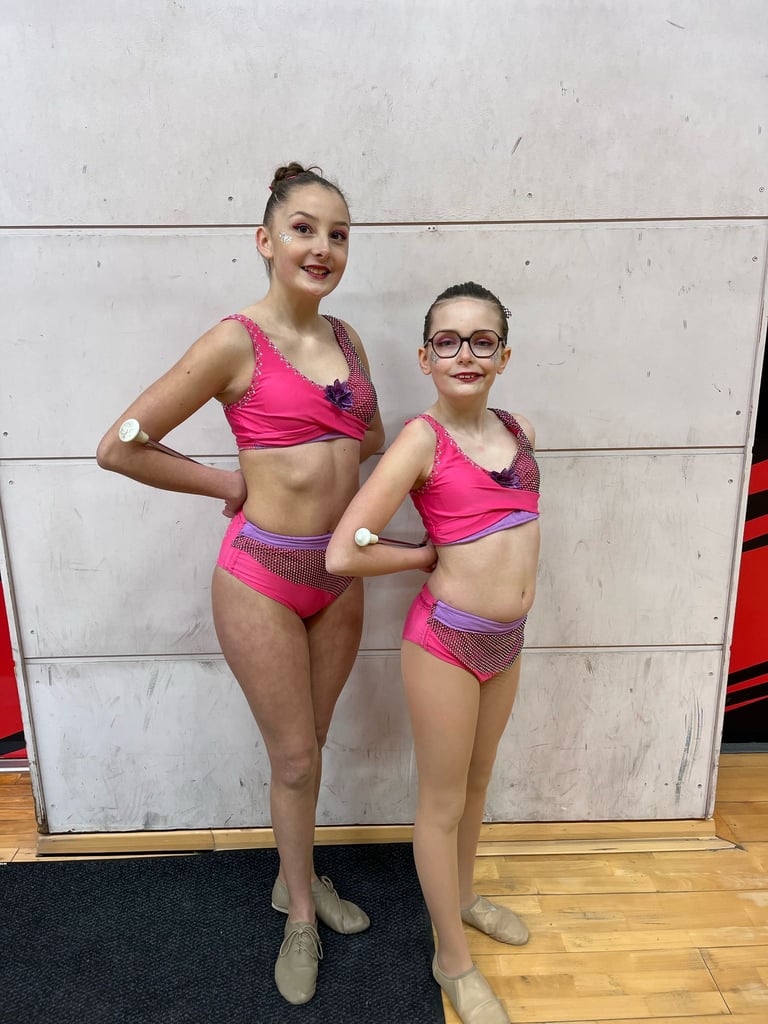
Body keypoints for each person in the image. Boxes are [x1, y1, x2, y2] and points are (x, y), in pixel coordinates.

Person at [97, 163, 385, 1006]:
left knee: (313, 745)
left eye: (338, 234)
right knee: (292, 758)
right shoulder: (235, 342)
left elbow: (367, 436)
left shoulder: (350, 340)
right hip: (262, 576)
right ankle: (300, 913)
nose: (322, 247)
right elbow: (121, 446)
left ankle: (296, 876)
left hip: (339, 574)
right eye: (304, 229)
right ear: (265, 240)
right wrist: (230, 483)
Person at [326, 282, 539, 1024]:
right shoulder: (421, 440)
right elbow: (343, 551)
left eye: (483, 341)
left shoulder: (519, 430)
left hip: (507, 642)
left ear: (504, 355)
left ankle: (466, 896)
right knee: (442, 803)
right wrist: (422, 557)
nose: (465, 354)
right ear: (425, 357)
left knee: (478, 783)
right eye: (447, 341)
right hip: (445, 642)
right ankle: (451, 961)